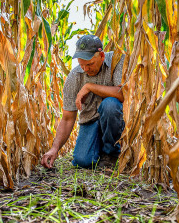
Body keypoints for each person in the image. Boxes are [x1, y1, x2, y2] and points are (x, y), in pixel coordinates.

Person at [41, 35, 125, 169]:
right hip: (90, 121)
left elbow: (123, 94)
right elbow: (68, 118)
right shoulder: (74, 77)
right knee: (83, 161)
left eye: (90, 64)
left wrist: (89, 86)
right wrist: (54, 149)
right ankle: (100, 148)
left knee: (110, 105)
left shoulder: (117, 61)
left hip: (115, 121)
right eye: (82, 65)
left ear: (102, 56)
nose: (85, 69)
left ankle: (111, 155)